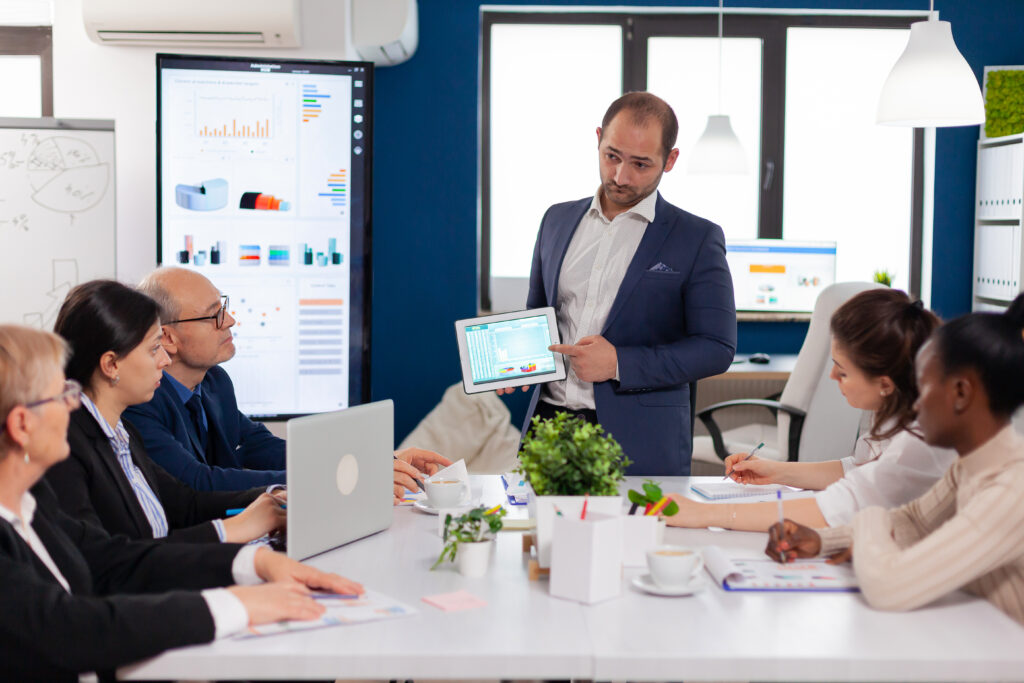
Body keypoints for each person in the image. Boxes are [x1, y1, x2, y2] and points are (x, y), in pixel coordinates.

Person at [0, 324, 363, 682]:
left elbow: (111, 561)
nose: (73, 406)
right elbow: (71, 628)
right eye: (60, 395)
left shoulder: (32, 503)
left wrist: (253, 560)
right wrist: (239, 605)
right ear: (21, 424)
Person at [507, 91, 737, 476]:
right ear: (598, 138)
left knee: (637, 539)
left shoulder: (696, 238)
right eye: (611, 156)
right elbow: (539, 313)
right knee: (541, 536)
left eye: (641, 164)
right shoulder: (556, 220)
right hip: (548, 427)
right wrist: (519, 363)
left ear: (671, 160)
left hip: (639, 438)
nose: (620, 176)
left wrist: (619, 363)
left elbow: (716, 348)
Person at [766, 293, 1024, 625]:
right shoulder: (970, 467)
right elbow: (914, 522)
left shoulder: (1011, 491)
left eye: (924, 387)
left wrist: (866, 519)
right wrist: (822, 540)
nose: (915, 406)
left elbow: (889, 587)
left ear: (961, 393)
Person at [127, 267, 450, 499]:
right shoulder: (140, 400)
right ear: (167, 337)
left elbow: (259, 446)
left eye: (223, 306)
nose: (230, 320)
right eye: (214, 315)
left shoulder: (214, 382)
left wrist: (375, 461)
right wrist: (337, 478)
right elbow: (197, 481)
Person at [665, 289, 954, 531]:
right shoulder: (898, 405)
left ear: (885, 384)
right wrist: (775, 471)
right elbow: (860, 469)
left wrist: (705, 515)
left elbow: (834, 508)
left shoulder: (921, 443)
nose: (832, 378)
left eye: (842, 372)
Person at [46, 280, 284, 544]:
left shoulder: (122, 433)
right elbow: (107, 561)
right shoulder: (65, 446)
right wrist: (234, 530)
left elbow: (185, 502)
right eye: (153, 349)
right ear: (111, 364)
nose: (165, 360)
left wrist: (271, 496)